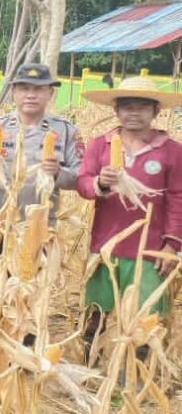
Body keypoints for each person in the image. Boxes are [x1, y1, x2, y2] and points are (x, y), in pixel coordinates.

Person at [77, 76, 182, 355]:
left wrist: (172, 243)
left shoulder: (172, 151)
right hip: (105, 244)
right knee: (96, 308)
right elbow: (83, 183)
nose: (133, 113)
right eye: (127, 106)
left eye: (142, 107)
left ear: (156, 112)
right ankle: (90, 359)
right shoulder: (101, 145)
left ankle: (137, 372)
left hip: (150, 248)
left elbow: (177, 197)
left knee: (144, 312)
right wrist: (100, 183)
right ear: (116, 111)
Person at [0, 63, 81, 296]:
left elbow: (80, 177)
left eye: (39, 89)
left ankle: (26, 333)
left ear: (50, 93)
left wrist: (58, 173)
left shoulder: (66, 131)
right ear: (13, 91)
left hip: (38, 222)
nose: (31, 94)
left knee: (29, 284)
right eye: (24, 88)